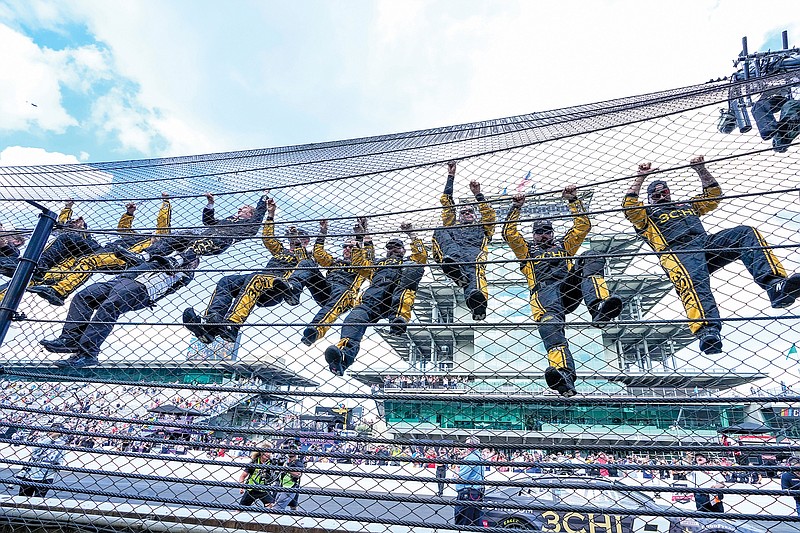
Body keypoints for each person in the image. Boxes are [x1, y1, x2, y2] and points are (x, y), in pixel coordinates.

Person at [623, 156, 800, 355]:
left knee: (745, 232)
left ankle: (775, 286)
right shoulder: (646, 214)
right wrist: (641, 177)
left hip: (705, 244)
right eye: (656, 196)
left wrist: (700, 169)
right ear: (649, 199)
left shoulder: (687, 206)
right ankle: (708, 330)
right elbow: (628, 207)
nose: (662, 197)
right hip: (676, 251)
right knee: (695, 282)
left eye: (664, 192)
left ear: (669, 192)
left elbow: (713, 195)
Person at [502, 186, 622, 397]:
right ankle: (564, 376)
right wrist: (516, 207)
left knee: (592, 255)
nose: (544, 235)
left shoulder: (563, 246)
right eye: (539, 232)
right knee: (552, 331)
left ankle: (599, 308)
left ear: (552, 232)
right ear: (533, 235)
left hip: (568, 288)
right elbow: (509, 233)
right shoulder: (526, 250)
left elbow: (582, 226)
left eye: (547, 231)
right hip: (544, 295)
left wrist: (573, 200)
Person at [40, 249, 199, 368]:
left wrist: (185, 260)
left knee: (109, 307)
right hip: (123, 278)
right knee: (84, 296)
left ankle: (88, 353)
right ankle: (71, 339)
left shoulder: (183, 271)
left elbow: (185, 268)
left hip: (143, 288)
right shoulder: (164, 255)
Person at [182, 198, 309, 344]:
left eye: (298, 238)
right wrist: (271, 214)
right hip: (257, 281)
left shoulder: (306, 257)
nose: (292, 240)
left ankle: (232, 324)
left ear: (306, 241)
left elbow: (303, 258)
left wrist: (298, 242)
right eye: (291, 238)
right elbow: (267, 238)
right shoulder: (281, 250)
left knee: (255, 277)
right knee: (227, 281)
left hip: (277, 287)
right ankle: (212, 322)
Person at [322, 222, 427, 376]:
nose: (392, 250)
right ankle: (343, 357)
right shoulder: (377, 263)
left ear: (403, 250)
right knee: (353, 319)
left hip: (395, 297)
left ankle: (399, 319)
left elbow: (422, 255)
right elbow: (361, 263)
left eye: (396, 247)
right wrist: (361, 238)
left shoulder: (409, 260)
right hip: (372, 301)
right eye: (389, 248)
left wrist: (412, 234)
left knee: (415, 268)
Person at [28, 194, 172, 306]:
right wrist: (129, 214)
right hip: (103, 250)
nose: (155, 235)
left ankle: (58, 291)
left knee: (88, 260)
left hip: (122, 258)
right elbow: (123, 228)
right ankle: (33, 276)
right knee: (71, 260)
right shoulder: (136, 236)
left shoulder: (157, 240)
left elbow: (163, 223)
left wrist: (165, 203)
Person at [116, 190, 270, 262]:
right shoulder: (228, 220)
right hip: (201, 234)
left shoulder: (249, 225)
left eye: (243, 208)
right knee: (178, 236)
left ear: (250, 214)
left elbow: (259, 215)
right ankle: (144, 255)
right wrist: (210, 204)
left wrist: (264, 196)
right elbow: (209, 222)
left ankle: (179, 261)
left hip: (218, 241)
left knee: (210, 238)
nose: (239, 209)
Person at [431, 161, 496, 320]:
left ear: (475, 215)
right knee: (440, 231)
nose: (466, 214)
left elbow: (489, 215)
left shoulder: (483, 227)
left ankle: (477, 305)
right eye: (463, 212)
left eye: (470, 212)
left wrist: (478, 195)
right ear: (459, 216)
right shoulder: (453, 225)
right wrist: (450, 176)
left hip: (474, 255)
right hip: (453, 255)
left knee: (474, 279)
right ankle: (454, 267)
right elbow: (447, 203)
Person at [298, 217, 374, 346]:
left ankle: (315, 330)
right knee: (308, 263)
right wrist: (323, 231)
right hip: (325, 289)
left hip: (345, 295)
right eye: (345, 246)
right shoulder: (335, 262)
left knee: (341, 292)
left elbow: (369, 254)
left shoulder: (361, 265)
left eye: (351, 247)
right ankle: (293, 289)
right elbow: (318, 254)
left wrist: (362, 233)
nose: (347, 249)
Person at [14, 423, 67, 497]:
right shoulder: (41, 439)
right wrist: (51, 438)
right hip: (30, 474)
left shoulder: (62, 444)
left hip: (47, 476)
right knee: (23, 498)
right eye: (53, 429)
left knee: (38, 500)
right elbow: (34, 448)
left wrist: (58, 465)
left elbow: (60, 458)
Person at [454, 436, 484, 527]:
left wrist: (456, 471)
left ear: (470, 446)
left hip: (467, 493)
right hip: (476, 492)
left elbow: (461, 477)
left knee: (463, 522)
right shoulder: (479, 456)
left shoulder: (471, 458)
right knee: (475, 522)